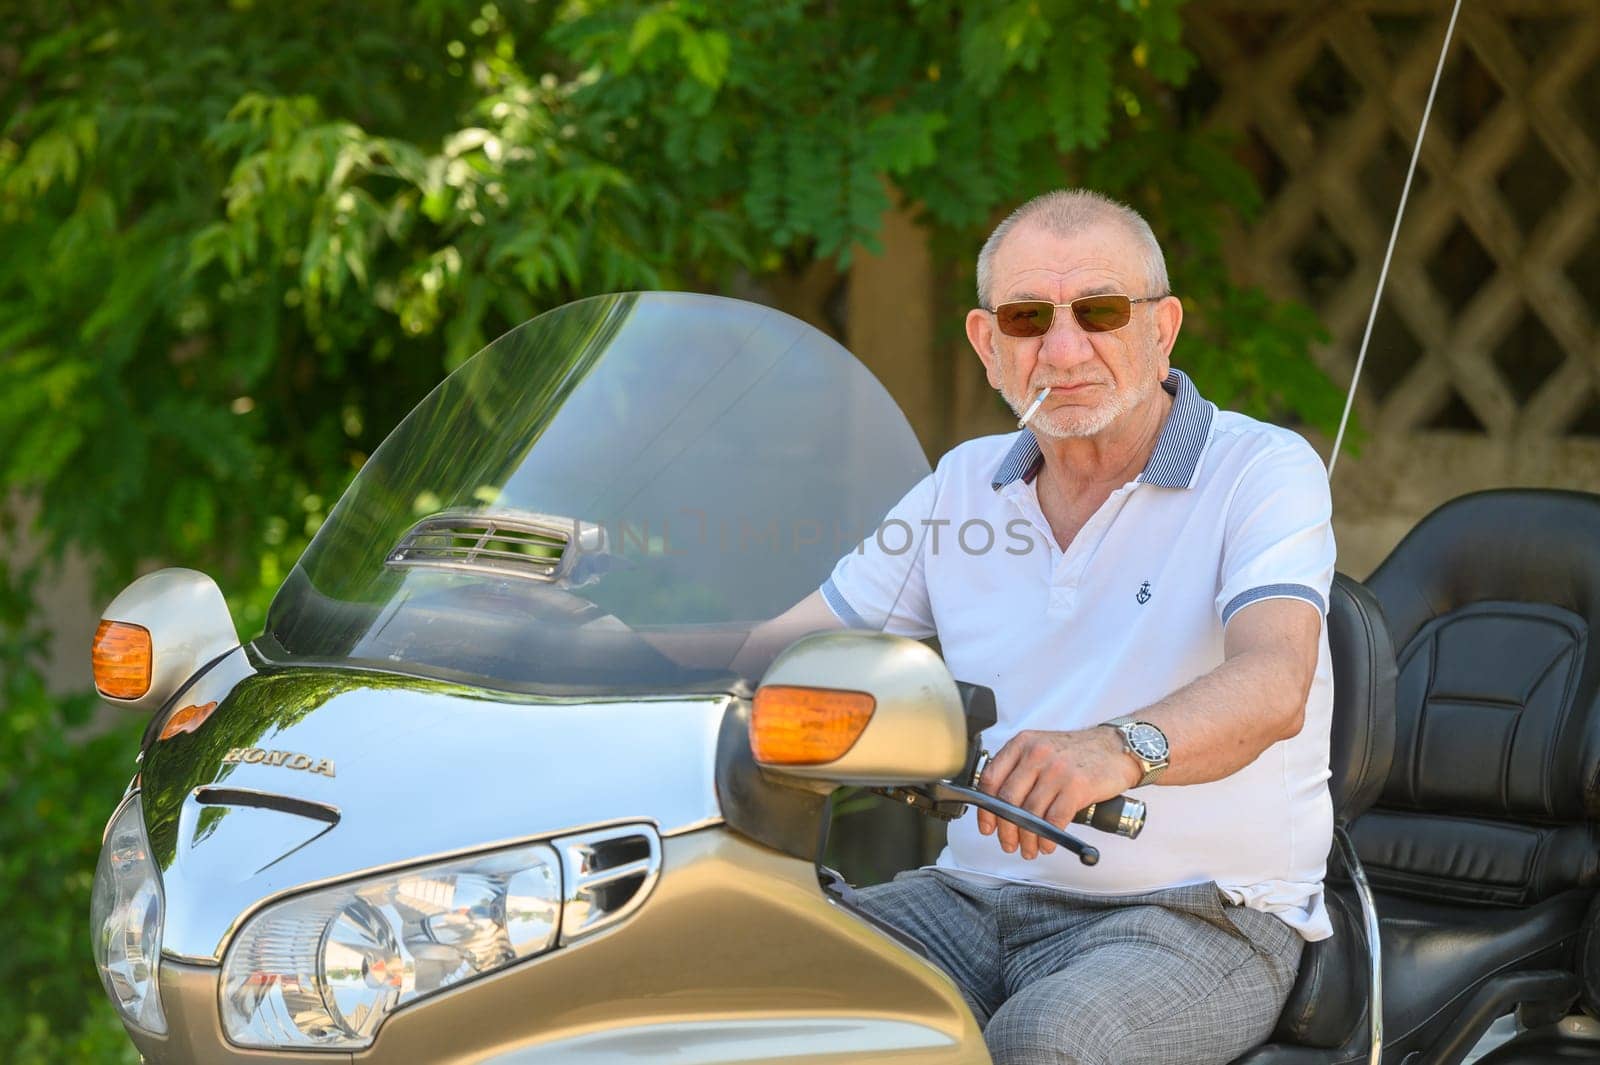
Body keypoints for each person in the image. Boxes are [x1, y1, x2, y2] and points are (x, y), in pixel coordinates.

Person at [737, 188, 1334, 1065]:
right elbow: (786, 648)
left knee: (1045, 1043)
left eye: (1098, 311)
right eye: (1026, 318)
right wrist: (587, 642)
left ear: (1162, 328)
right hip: (968, 897)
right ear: (988, 345)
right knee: (750, 980)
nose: (1062, 349)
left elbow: (1277, 680)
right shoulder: (963, 484)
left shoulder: (1259, 468)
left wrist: (1114, 747)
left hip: (1198, 912)